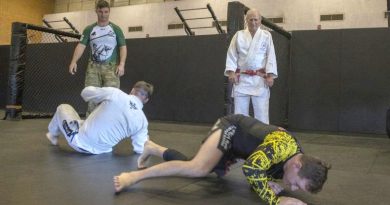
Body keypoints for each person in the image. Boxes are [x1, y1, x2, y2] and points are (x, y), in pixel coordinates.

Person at [113, 114, 330, 205]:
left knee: (195, 164)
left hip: (239, 149)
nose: (291, 187)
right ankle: (134, 176)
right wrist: (275, 200)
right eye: (296, 183)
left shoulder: (293, 160)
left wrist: (265, 183)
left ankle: (153, 148)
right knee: (197, 168)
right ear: (298, 164)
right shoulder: (284, 146)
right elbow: (253, 169)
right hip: (231, 128)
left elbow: (258, 169)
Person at [46, 81, 153, 154]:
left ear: (132, 90)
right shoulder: (143, 121)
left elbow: (85, 93)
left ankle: (53, 134)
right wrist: (145, 139)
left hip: (80, 142)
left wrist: (99, 97)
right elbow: (140, 149)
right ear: (146, 100)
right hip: (103, 151)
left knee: (63, 107)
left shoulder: (115, 93)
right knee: (83, 122)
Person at [69, 0, 127, 116]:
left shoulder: (116, 29)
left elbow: (123, 47)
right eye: (100, 11)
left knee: (111, 98)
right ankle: (90, 128)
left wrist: (121, 64)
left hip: (111, 68)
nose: (103, 14)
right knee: (92, 98)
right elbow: (81, 46)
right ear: (96, 11)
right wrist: (73, 62)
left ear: (109, 12)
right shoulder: (89, 29)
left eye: (106, 12)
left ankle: (109, 127)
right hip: (93, 69)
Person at [225, 9, 278, 124]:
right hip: (242, 79)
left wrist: (270, 75)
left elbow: (271, 56)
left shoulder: (266, 35)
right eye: (250, 20)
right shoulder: (238, 35)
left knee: (262, 114)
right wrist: (231, 72)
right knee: (240, 114)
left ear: (260, 21)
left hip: (259, 79)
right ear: (246, 20)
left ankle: (262, 138)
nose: (253, 22)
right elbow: (232, 54)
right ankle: (242, 139)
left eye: (256, 19)